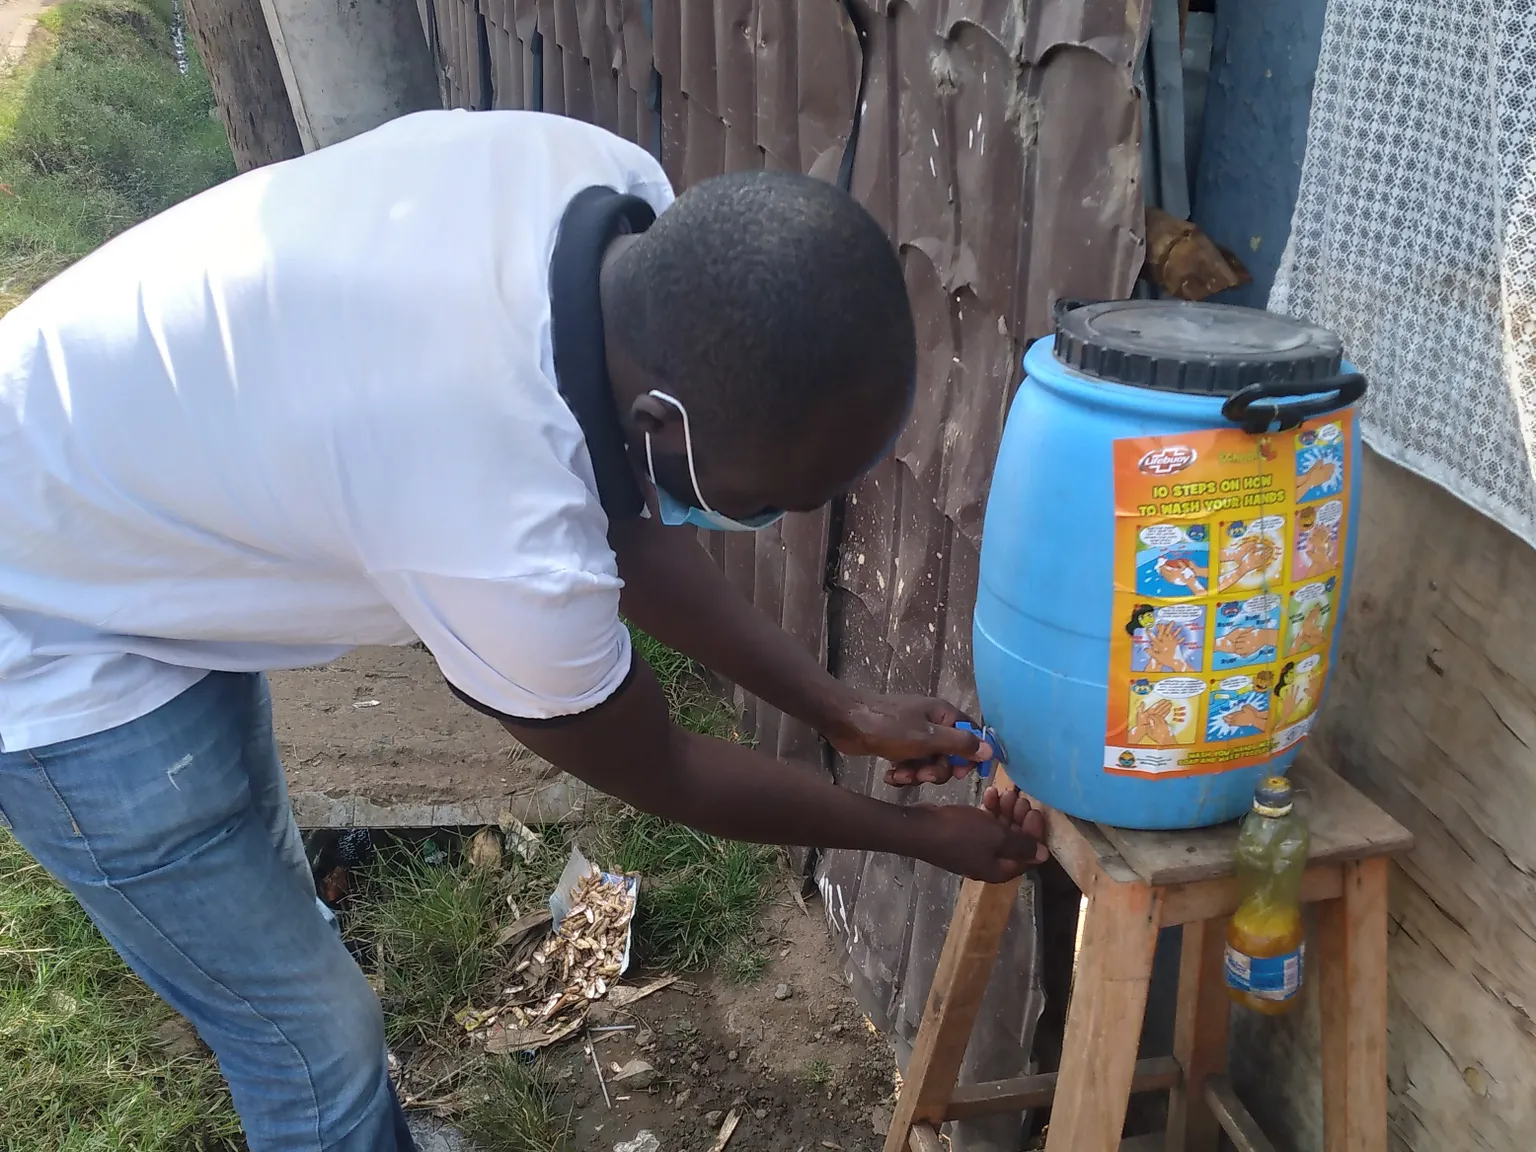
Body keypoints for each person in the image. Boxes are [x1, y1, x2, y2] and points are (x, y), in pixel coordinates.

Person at [0, 110, 1048, 1152]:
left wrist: (844, 711)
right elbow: (664, 768)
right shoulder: (488, 517)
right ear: (663, 425)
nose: (790, 518)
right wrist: (912, 837)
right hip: (50, 625)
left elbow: (615, 513)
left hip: (116, 475)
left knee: (285, 942)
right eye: (777, 494)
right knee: (307, 1041)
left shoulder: (601, 188)